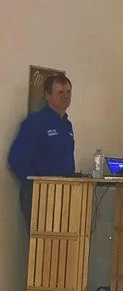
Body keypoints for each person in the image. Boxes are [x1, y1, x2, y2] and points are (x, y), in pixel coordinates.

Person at [8, 73, 76, 231]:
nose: (66, 96)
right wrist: (37, 185)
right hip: (40, 195)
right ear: (47, 95)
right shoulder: (36, 123)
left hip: (64, 194)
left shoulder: (67, 125)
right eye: (60, 92)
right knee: (41, 248)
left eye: (68, 92)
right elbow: (16, 160)